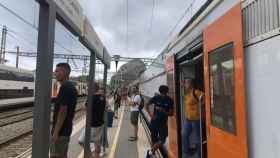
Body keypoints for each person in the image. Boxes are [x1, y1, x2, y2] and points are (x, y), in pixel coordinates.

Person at [51, 63, 78, 158]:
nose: (55, 73)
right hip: (66, 129)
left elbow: (63, 111)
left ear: (64, 72)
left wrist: (56, 132)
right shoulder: (70, 87)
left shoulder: (65, 87)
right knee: (62, 155)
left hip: (61, 132)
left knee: (55, 155)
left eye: (57, 71)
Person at [145, 85, 174, 158]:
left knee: (163, 139)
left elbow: (171, 113)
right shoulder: (156, 98)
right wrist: (151, 115)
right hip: (154, 121)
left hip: (162, 123)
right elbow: (147, 104)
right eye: (162, 93)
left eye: (164, 94)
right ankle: (153, 154)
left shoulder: (170, 100)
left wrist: (163, 111)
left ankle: (151, 151)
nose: (163, 95)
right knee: (154, 138)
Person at [79, 83, 106, 158]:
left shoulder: (91, 98)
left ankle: (90, 155)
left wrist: (85, 104)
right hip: (100, 123)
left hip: (92, 124)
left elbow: (85, 108)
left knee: (81, 141)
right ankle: (96, 154)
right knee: (97, 142)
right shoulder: (102, 97)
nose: (88, 90)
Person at [182, 78, 203, 157]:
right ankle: (187, 152)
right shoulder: (187, 94)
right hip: (188, 119)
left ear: (191, 84)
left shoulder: (196, 92)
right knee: (184, 135)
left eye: (186, 83)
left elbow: (206, 99)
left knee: (198, 138)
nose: (184, 85)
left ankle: (199, 154)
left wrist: (200, 108)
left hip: (196, 119)